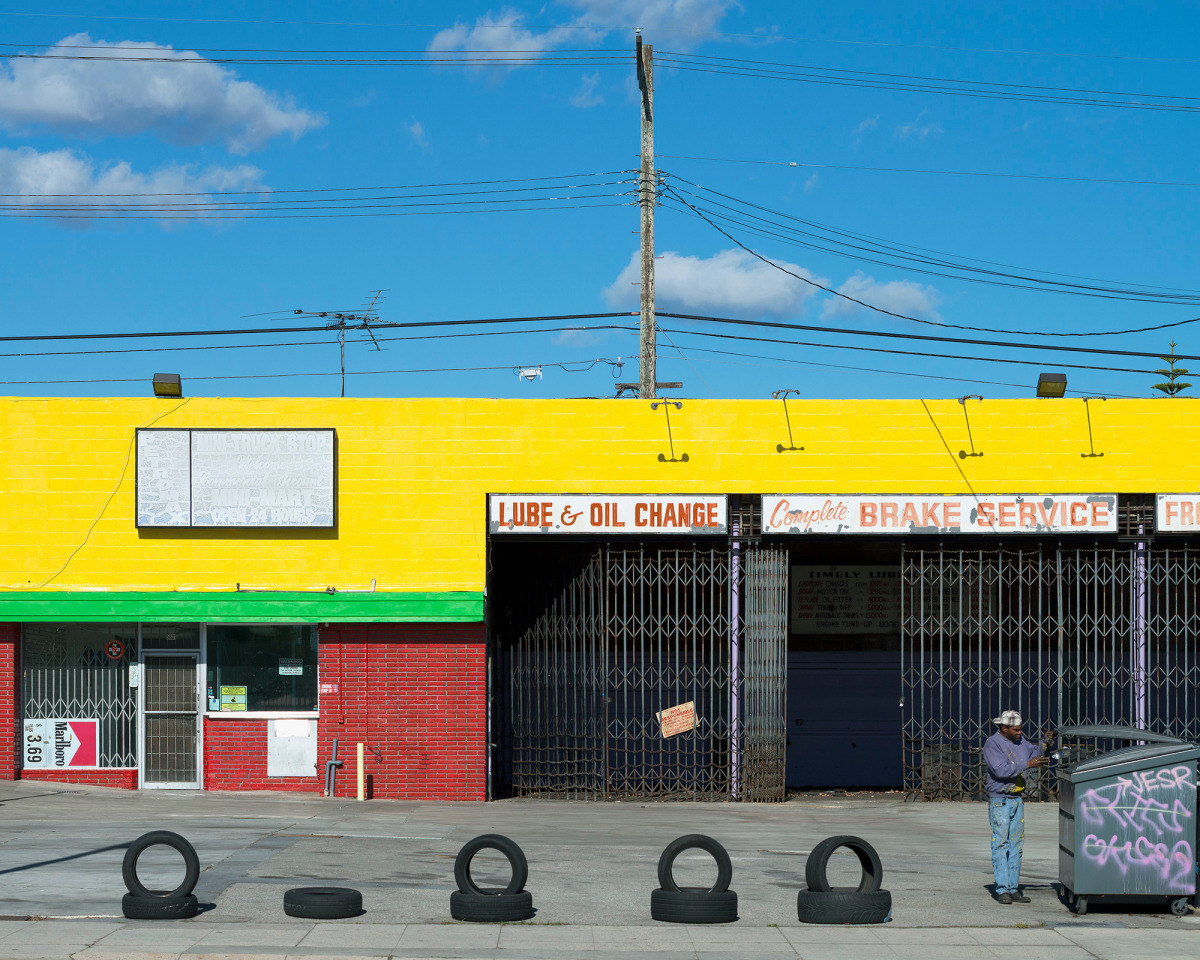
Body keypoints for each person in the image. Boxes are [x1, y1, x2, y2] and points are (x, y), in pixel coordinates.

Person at [983, 710, 1052, 904]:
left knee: (1016, 845)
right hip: (1000, 800)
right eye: (1016, 730)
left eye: (1020, 729)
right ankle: (1003, 889)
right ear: (1004, 728)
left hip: (1016, 799)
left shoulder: (1019, 741)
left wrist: (1045, 742)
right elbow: (1000, 770)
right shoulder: (993, 744)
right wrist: (1028, 764)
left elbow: (1034, 753)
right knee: (1000, 844)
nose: (1020, 733)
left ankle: (1013, 888)